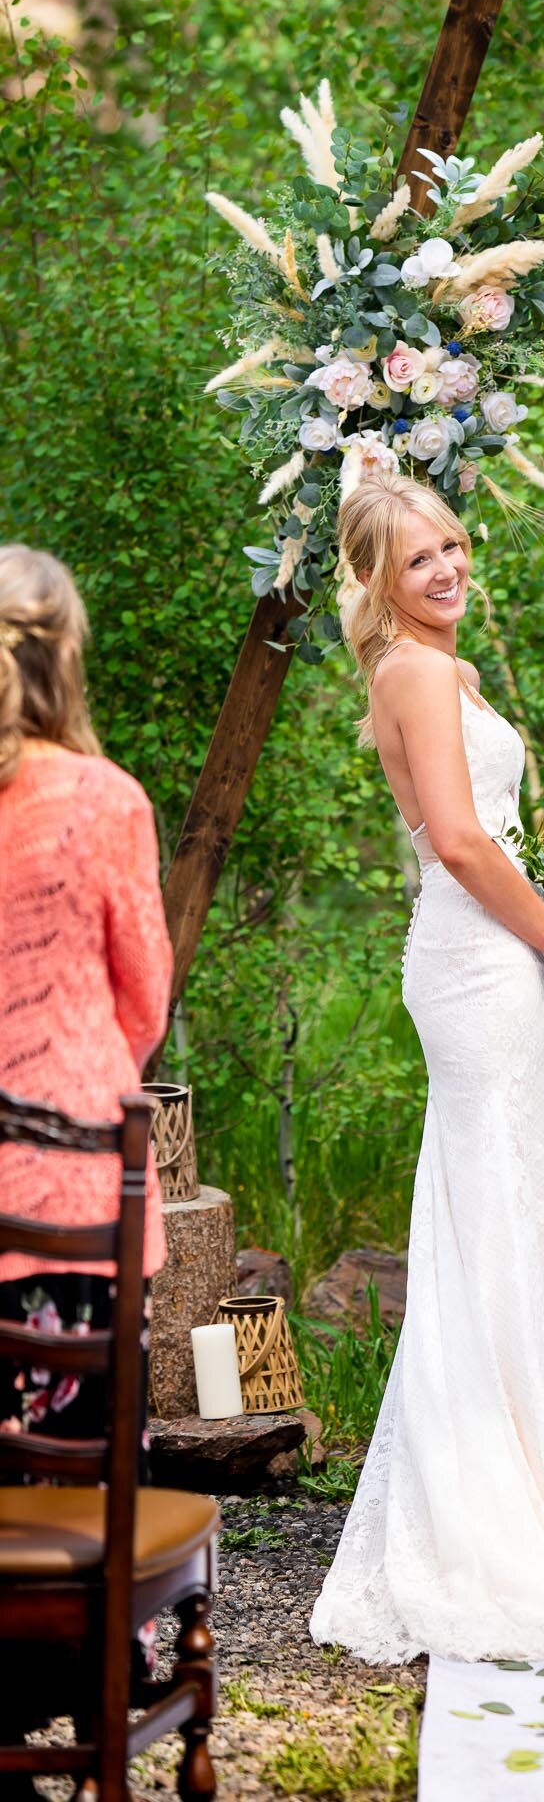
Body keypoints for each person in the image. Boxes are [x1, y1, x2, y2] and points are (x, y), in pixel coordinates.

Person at [309, 476, 544, 1664]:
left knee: (505, 1207)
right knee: (490, 1214)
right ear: (379, 584)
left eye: (452, 543)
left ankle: (530, 1483)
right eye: (417, 559)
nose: (447, 567)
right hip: (477, 957)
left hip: (479, 953)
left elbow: (508, 823)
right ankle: (484, 1507)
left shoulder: (438, 669)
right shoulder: (417, 671)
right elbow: (456, 840)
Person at [0, 544, 171, 1439]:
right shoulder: (104, 802)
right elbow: (143, 1002)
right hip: (79, 1191)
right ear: (63, 656)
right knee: (86, 1481)